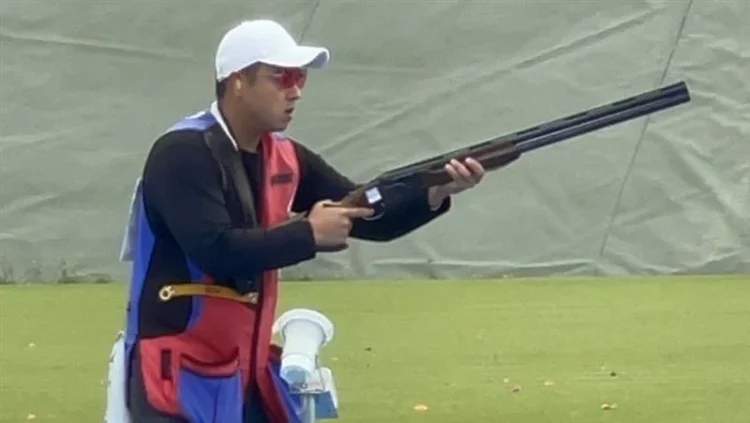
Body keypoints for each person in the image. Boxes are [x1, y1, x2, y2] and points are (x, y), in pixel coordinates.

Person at [121, 18, 486, 423]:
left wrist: (436, 192)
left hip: (243, 372)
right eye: (282, 77)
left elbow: (368, 216)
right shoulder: (183, 152)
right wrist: (308, 233)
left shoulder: (284, 155)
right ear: (238, 81)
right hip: (176, 373)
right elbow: (216, 249)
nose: (295, 90)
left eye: (300, 78)